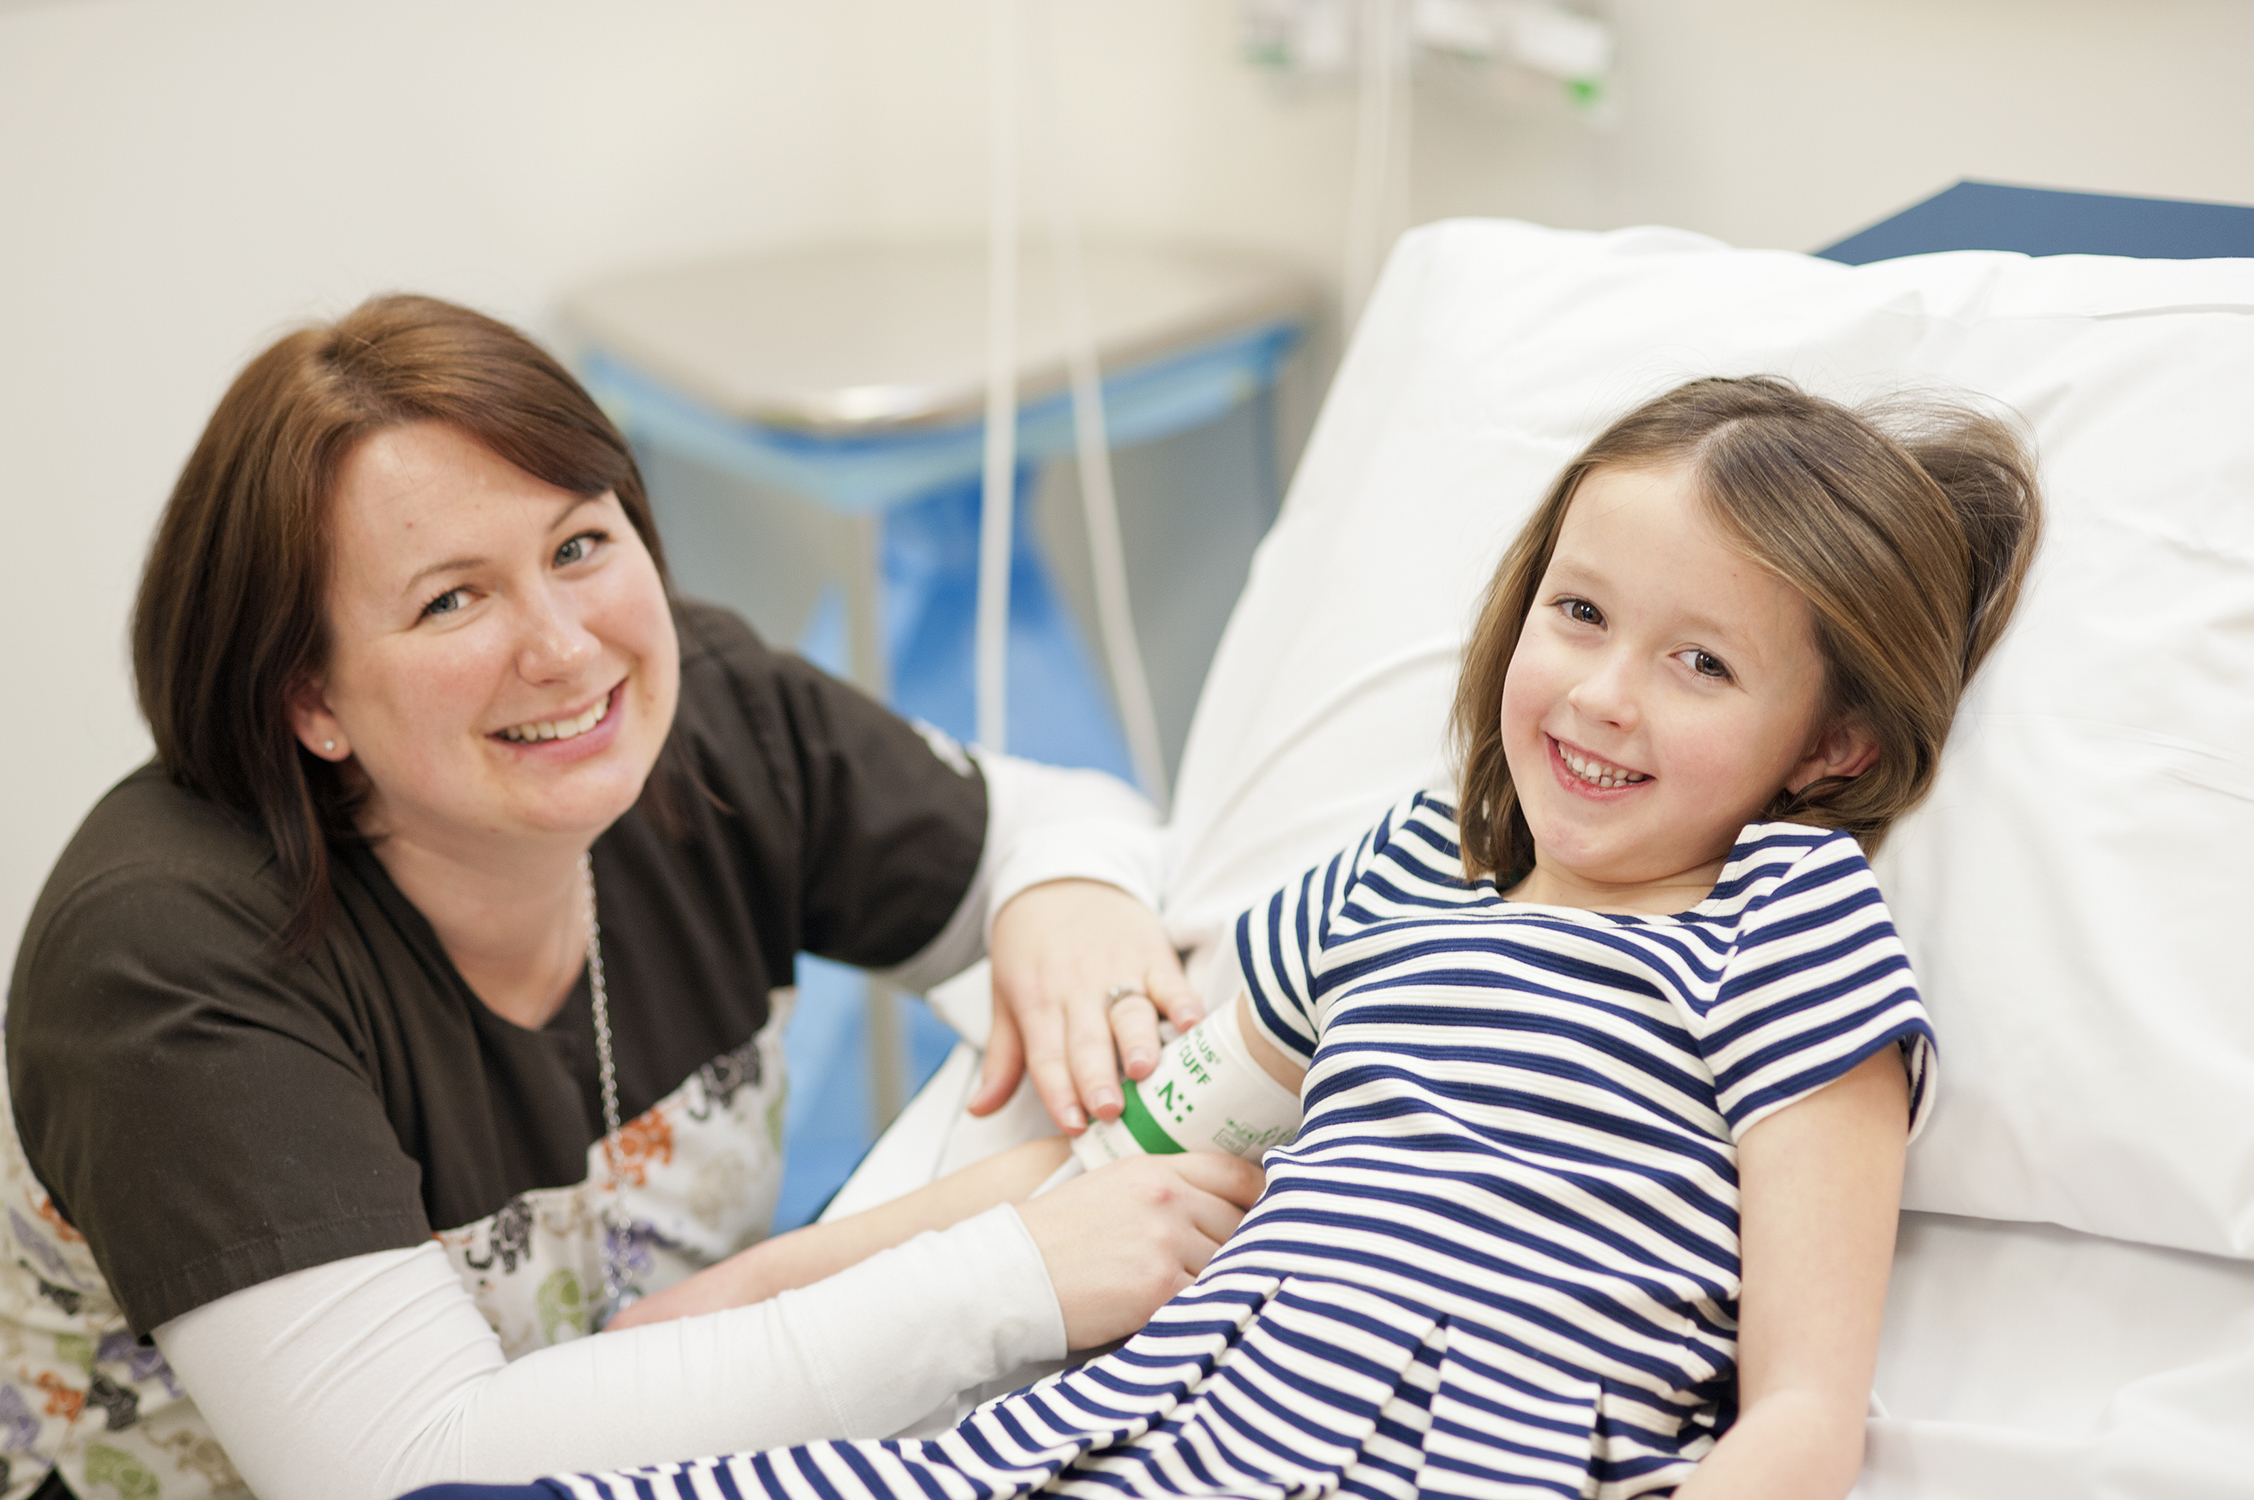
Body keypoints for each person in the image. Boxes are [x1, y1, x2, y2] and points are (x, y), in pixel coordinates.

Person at [435, 373, 2041, 1500]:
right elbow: (1108, 1164)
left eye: (1703, 666)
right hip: (1169, 1420)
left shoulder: (1786, 917)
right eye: (1580, 614)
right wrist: (765, 1283)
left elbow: (1806, 1408)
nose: (1606, 694)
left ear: (1828, 747)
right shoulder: (1405, 873)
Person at [0, 295, 1266, 1500]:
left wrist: (1063, 893)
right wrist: (1011, 1275)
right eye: (451, 599)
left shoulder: (704, 725)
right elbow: (412, 1468)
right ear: (310, 699)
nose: (563, 650)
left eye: (579, 545)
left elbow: (1060, 816)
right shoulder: (164, 964)